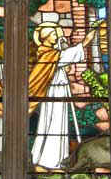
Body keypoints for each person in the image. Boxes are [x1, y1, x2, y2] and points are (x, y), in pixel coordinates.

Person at [30, 23, 96, 171]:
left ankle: (55, 158)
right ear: (46, 38)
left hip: (60, 89)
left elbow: (63, 62)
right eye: (53, 34)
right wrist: (85, 42)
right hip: (54, 92)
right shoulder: (46, 53)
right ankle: (51, 160)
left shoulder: (53, 52)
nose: (57, 36)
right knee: (54, 124)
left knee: (58, 124)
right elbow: (64, 57)